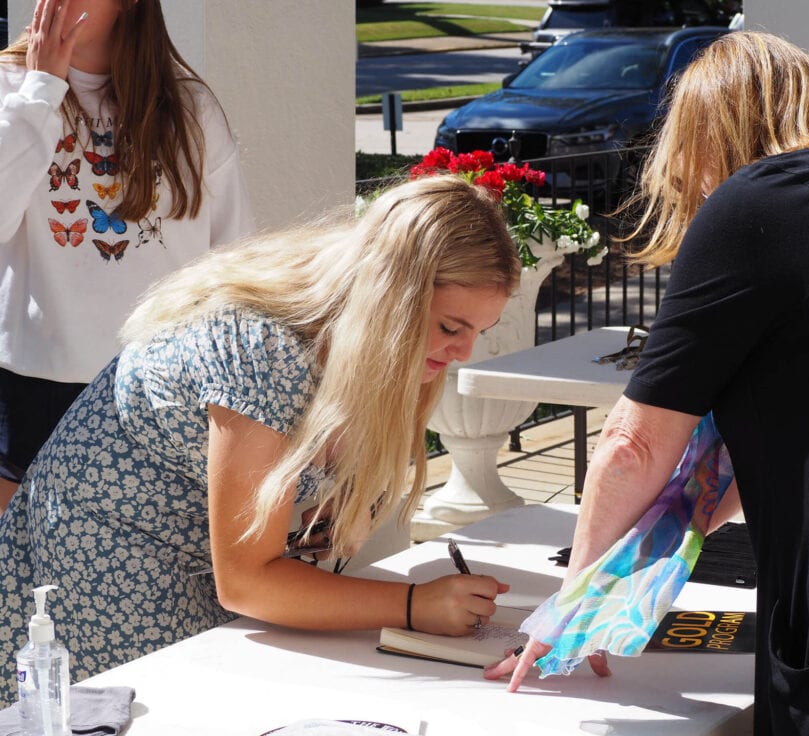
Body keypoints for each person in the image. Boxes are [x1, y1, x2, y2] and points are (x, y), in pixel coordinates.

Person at [486, 32, 809, 735]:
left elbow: (633, 443)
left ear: (708, 135)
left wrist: (572, 609)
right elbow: (778, 421)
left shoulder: (759, 201)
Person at [0, 174, 520, 702]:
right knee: (171, 709)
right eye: (451, 328)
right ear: (390, 298)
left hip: (185, 559)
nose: (464, 353)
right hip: (107, 560)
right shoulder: (263, 349)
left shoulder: (353, 336)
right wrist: (415, 605)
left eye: (481, 330)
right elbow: (248, 582)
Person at [0, 0, 256, 485]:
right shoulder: (10, 88)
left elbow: (234, 264)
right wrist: (41, 89)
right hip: (30, 389)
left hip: (155, 392)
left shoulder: (190, 109)